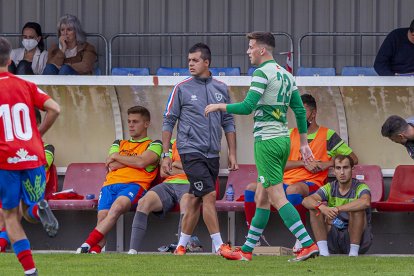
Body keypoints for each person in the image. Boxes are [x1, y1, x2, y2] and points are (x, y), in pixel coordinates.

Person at [205, 32, 318, 262]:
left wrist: (219, 106)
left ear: (262, 50)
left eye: (250, 47)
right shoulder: (287, 75)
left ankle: (307, 244)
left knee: (277, 197)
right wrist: (304, 143)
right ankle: (246, 251)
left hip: (266, 142)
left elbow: (247, 107)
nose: (248, 51)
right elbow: (298, 110)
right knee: (262, 197)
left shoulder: (261, 73)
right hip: (283, 140)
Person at [243, 93, 359, 252]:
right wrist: (304, 163)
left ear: (313, 113)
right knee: (251, 188)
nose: (299, 115)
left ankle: (300, 239)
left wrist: (326, 164)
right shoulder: (288, 134)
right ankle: (253, 237)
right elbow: (276, 164)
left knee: (294, 190)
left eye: (302, 112)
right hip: (283, 181)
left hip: (312, 184)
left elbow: (353, 158)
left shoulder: (328, 135)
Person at [161, 42, 238, 255]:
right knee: (210, 195)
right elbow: (168, 121)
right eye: (189, 61)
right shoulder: (182, 88)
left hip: (213, 153)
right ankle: (220, 246)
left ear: (207, 62)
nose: (191, 65)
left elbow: (228, 122)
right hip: (190, 152)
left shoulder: (221, 88)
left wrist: (232, 153)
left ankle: (180, 247)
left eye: (195, 60)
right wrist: (166, 154)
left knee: (195, 200)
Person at [0, 37, 60, 275]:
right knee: (29, 211)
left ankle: (30, 272)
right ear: (9, 59)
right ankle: (39, 208)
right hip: (33, 154)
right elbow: (56, 108)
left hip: (5, 159)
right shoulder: (25, 84)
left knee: (10, 216)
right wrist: (37, 133)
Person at [76, 106, 162, 254]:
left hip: (134, 185)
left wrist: (120, 158)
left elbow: (142, 162)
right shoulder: (118, 143)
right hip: (110, 184)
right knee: (102, 217)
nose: (131, 125)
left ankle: (86, 244)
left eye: (135, 121)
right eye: (129, 121)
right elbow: (111, 164)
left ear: (146, 124)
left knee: (117, 207)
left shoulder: (154, 144)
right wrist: (132, 160)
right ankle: (95, 250)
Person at [0, 108, 57, 253]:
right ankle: (39, 211)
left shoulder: (47, 147)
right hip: (23, 187)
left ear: (37, 123)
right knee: (19, 213)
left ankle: (2, 244)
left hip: (31, 185)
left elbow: (43, 166)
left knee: (11, 212)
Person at [128, 139, 190, 254]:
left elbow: (203, 171)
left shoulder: (205, 140)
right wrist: (187, 168)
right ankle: (132, 251)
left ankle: (181, 249)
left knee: (186, 202)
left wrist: (176, 164)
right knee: (144, 202)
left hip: (190, 184)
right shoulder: (172, 142)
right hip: (168, 184)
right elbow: (163, 172)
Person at [302, 155, 372, 256]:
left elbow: (365, 202)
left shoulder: (360, 187)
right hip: (334, 235)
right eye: (338, 168)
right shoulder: (330, 187)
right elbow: (306, 201)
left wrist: (337, 209)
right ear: (334, 170)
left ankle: (353, 253)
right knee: (315, 208)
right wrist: (322, 208)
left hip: (357, 240)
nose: (342, 172)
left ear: (352, 169)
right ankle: (323, 252)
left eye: (345, 168)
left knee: (357, 209)